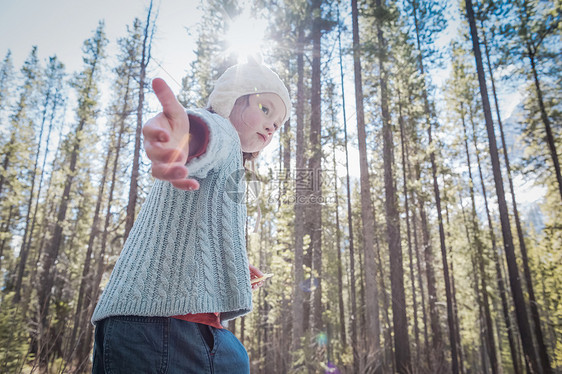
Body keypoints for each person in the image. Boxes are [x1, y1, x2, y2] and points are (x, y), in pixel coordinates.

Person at [91, 58, 291, 373]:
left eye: (278, 123)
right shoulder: (221, 128)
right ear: (232, 99)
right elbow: (199, 132)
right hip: (168, 327)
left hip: (144, 322)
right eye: (265, 109)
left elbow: (196, 229)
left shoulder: (230, 169)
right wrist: (179, 137)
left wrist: (232, 265)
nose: (271, 125)